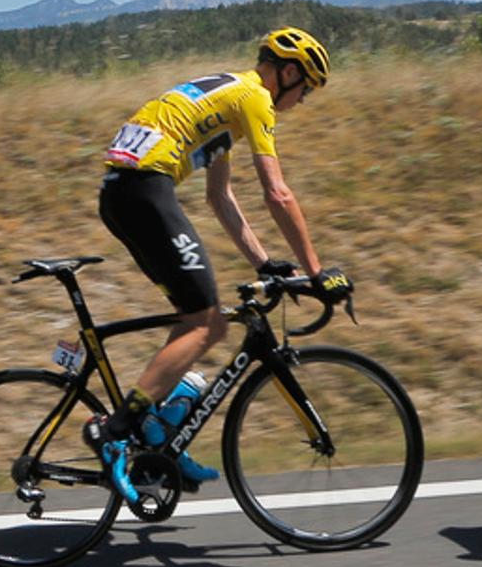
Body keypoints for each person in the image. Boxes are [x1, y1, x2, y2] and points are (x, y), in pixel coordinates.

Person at [85, 29, 348, 496]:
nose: (303, 100)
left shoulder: (229, 96)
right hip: (144, 190)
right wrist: (315, 273)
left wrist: (265, 263)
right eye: (305, 88)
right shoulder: (256, 99)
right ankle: (115, 431)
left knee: (195, 318)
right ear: (287, 73)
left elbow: (220, 197)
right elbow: (277, 193)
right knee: (210, 324)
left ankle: (155, 433)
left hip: (125, 193)